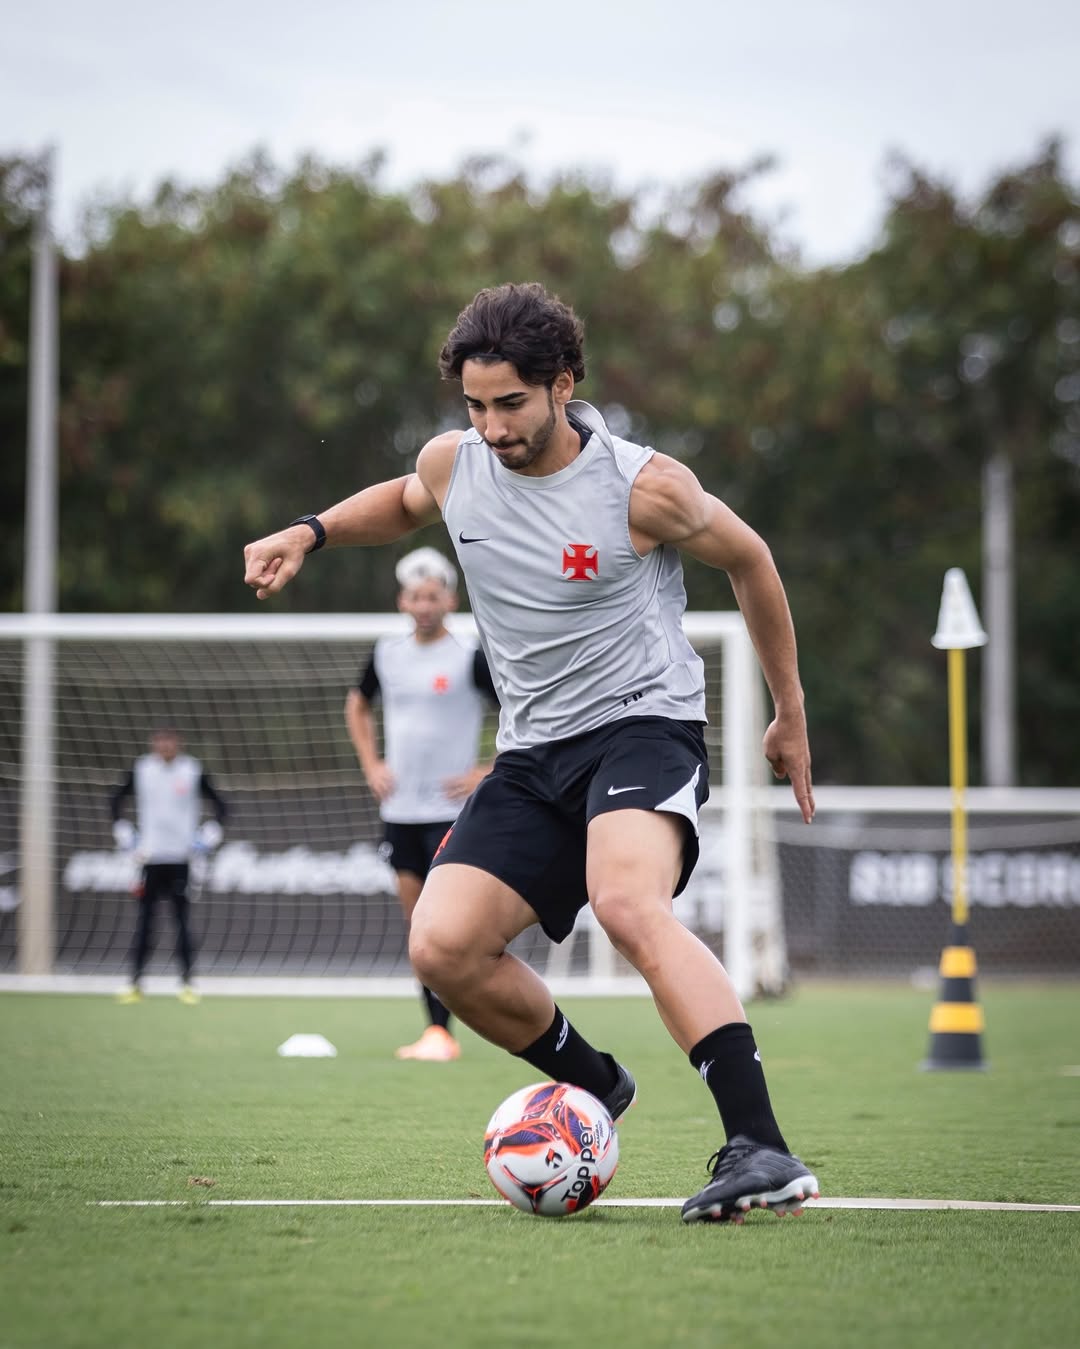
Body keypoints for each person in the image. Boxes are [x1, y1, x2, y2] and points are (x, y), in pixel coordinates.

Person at [243, 281, 820, 1223]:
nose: (492, 427)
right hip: (531, 751)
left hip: (642, 725)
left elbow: (751, 559)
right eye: (475, 405)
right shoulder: (456, 462)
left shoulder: (645, 486)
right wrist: (310, 532)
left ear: (563, 384)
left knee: (627, 905)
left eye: (510, 403)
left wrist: (789, 711)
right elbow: (405, 501)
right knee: (442, 945)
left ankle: (761, 1145)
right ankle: (595, 1085)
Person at [345, 545, 498, 1061]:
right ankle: (437, 1031)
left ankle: (477, 1015)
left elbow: (521, 710)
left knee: (453, 926)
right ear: (402, 602)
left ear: (450, 601)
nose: (425, 605)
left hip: (452, 813)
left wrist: (485, 770)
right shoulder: (387, 654)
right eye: (416, 597)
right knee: (419, 926)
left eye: (434, 596)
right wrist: (372, 765)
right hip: (400, 813)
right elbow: (357, 703)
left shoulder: (470, 655)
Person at [111, 726, 228, 1005]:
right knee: (145, 924)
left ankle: (187, 984)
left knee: (182, 924)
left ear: (178, 743)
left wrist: (208, 835)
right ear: (153, 743)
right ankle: (135, 983)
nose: (165, 746)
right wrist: (125, 833)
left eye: (169, 741)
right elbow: (115, 802)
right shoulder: (141, 769)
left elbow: (222, 807)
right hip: (150, 859)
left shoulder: (192, 770)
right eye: (160, 741)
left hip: (181, 860)